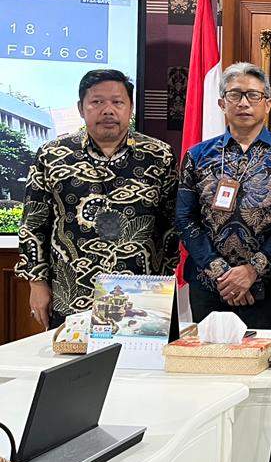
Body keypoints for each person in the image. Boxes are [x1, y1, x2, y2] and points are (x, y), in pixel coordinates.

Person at [16, 69, 178, 328]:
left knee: (140, 356)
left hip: (142, 296)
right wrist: (37, 282)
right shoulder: (52, 155)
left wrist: (165, 281)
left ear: (130, 107)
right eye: (97, 102)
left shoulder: (159, 156)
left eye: (117, 102)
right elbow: (33, 224)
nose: (108, 110)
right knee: (72, 356)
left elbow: (172, 224)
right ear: (81, 108)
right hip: (72, 294)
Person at [175, 62, 271, 328]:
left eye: (253, 95)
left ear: (268, 104)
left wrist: (252, 270)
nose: (244, 103)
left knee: (262, 354)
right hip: (208, 284)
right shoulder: (198, 156)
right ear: (222, 103)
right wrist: (221, 272)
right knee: (209, 353)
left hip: (265, 287)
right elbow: (184, 218)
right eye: (235, 94)